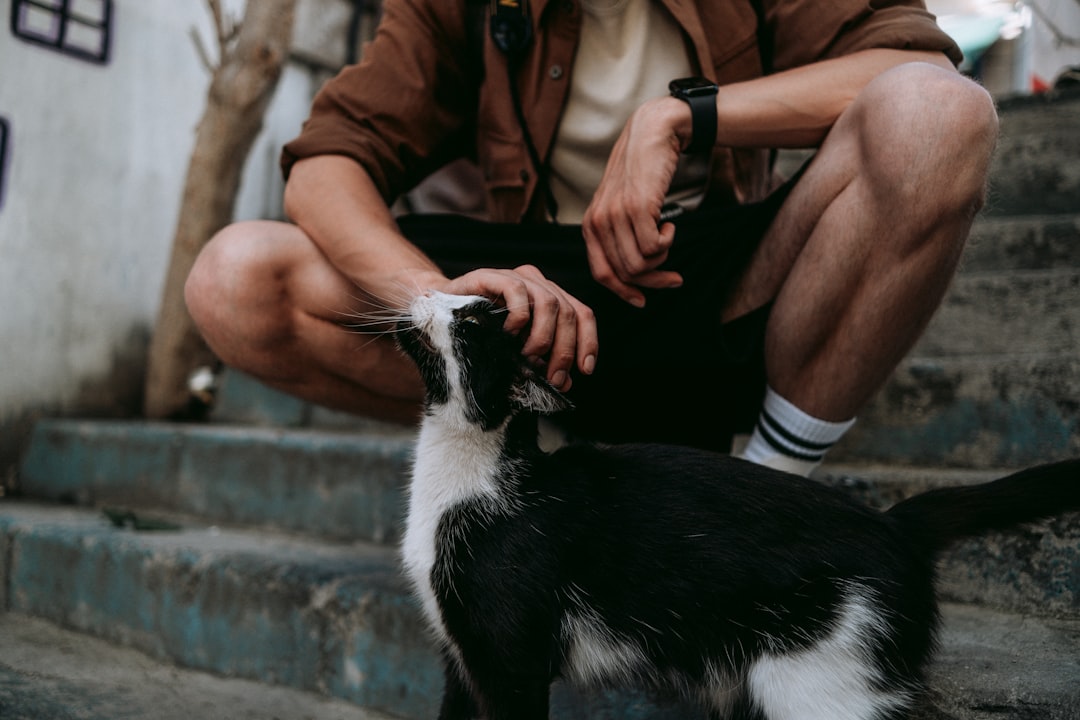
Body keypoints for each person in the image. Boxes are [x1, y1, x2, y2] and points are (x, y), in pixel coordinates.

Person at [185, 0, 998, 476]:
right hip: (539, 312)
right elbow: (328, 160)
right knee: (235, 278)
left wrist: (683, 115)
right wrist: (443, 302)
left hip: (730, 281)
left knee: (939, 113)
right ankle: (528, 440)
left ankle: (769, 487)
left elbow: (908, 62)